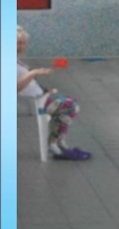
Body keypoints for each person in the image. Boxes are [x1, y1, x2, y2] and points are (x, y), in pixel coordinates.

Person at [16, 25, 91, 160]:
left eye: (23, 43)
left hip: (37, 98)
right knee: (70, 105)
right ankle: (56, 145)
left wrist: (43, 89)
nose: (21, 46)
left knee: (69, 102)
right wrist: (33, 73)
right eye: (17, 43)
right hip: (30, 104)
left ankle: (57, 143)